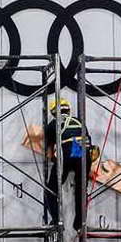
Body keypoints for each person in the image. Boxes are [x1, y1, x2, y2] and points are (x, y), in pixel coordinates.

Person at [41, 94, 93, 229]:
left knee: (51, 190)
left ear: (53, 113)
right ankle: (80, 224)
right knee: (81, 190)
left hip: (67, 154)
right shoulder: (79, 122)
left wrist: (55, 160)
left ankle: (57, 221)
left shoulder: (53, 125)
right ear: (68, 110)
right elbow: (88, 143)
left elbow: (49, 154)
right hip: (84, 155)